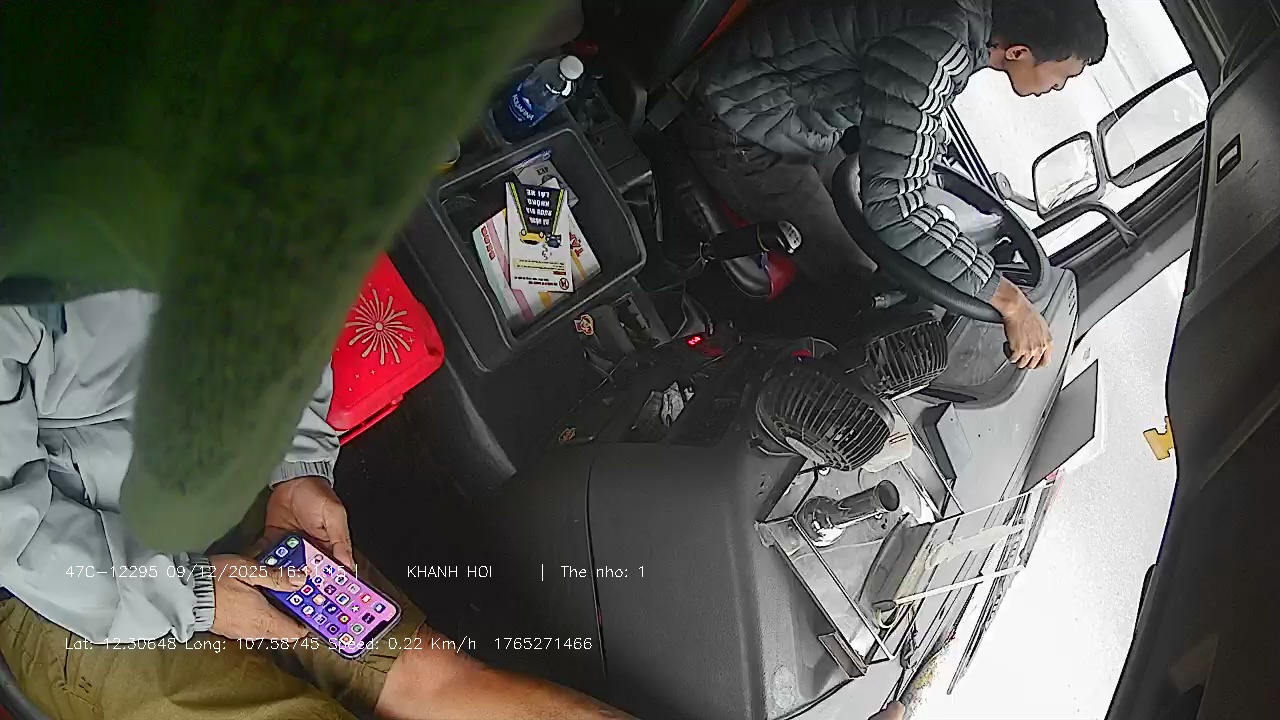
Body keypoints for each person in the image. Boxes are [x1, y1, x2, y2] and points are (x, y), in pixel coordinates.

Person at [0, 292, 632, 719]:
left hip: (226, 489)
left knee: (430, 679)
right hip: (65, 581)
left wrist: (296, 467)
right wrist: (194, 594)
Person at [680, 0, 1109, 370]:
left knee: (875, 238)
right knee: (861, 284)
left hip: (787, 115)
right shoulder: (939, 40)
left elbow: (911, 112)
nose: (1057, 88)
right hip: (739, 126)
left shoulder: (962, 25)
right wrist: (1010, 302)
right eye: (1061, 78)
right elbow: (895, 208)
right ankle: (725, 357)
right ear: (1019, 52)